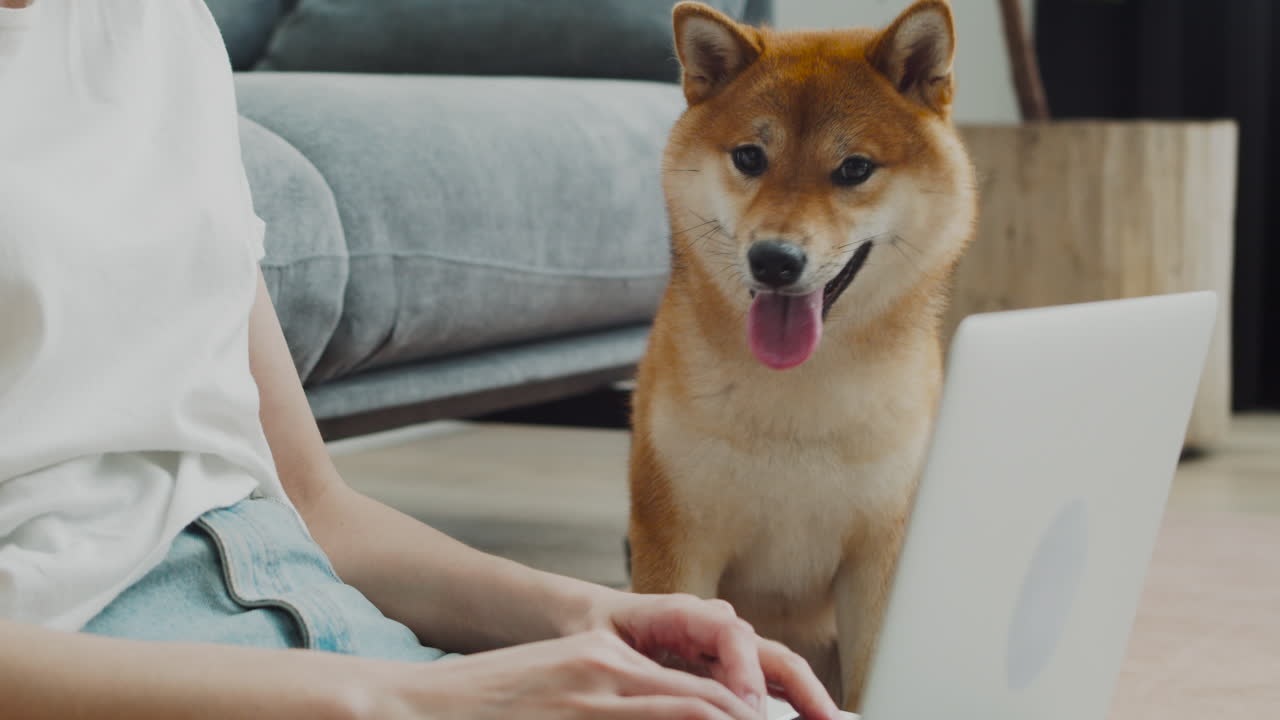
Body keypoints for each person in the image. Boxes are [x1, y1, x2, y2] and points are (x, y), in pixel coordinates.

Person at [0, 1, 839, 718]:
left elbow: (311, 504)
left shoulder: (155, 25)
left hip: (337, 637)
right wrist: (419, 701)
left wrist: (589, 617)